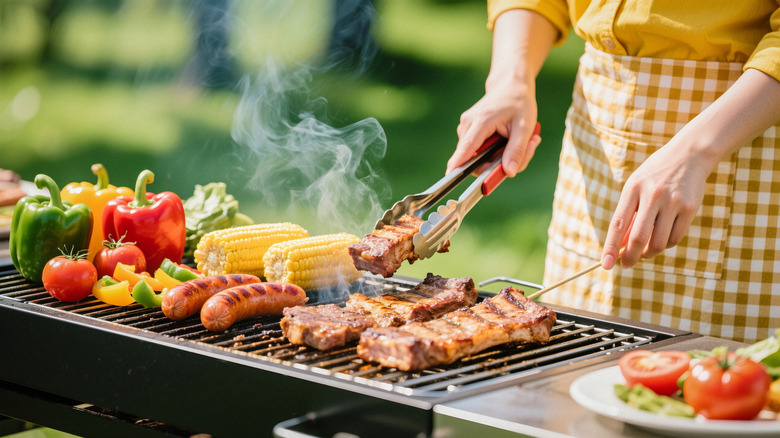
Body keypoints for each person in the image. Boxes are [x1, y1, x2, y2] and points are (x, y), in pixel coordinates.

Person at [447, 1, 780, 343]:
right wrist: (510, 78)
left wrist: (698, 150)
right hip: (596, 140)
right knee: (569, 370)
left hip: (743, 129)